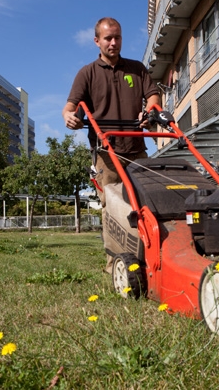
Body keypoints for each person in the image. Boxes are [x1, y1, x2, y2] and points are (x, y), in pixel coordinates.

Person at [62, 17, 161, 273]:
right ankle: (113, 265)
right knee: (113, 206)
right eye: (108, 38)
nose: (113, 43)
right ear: (97, 41)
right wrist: (69, 117)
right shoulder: (87, 73)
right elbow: (71, 106)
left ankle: (149, 257)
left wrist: (149, 110)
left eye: (117, 37)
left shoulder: (136, 69)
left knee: (147, 202)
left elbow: (153, 94)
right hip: (106, 153)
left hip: (137, 150)